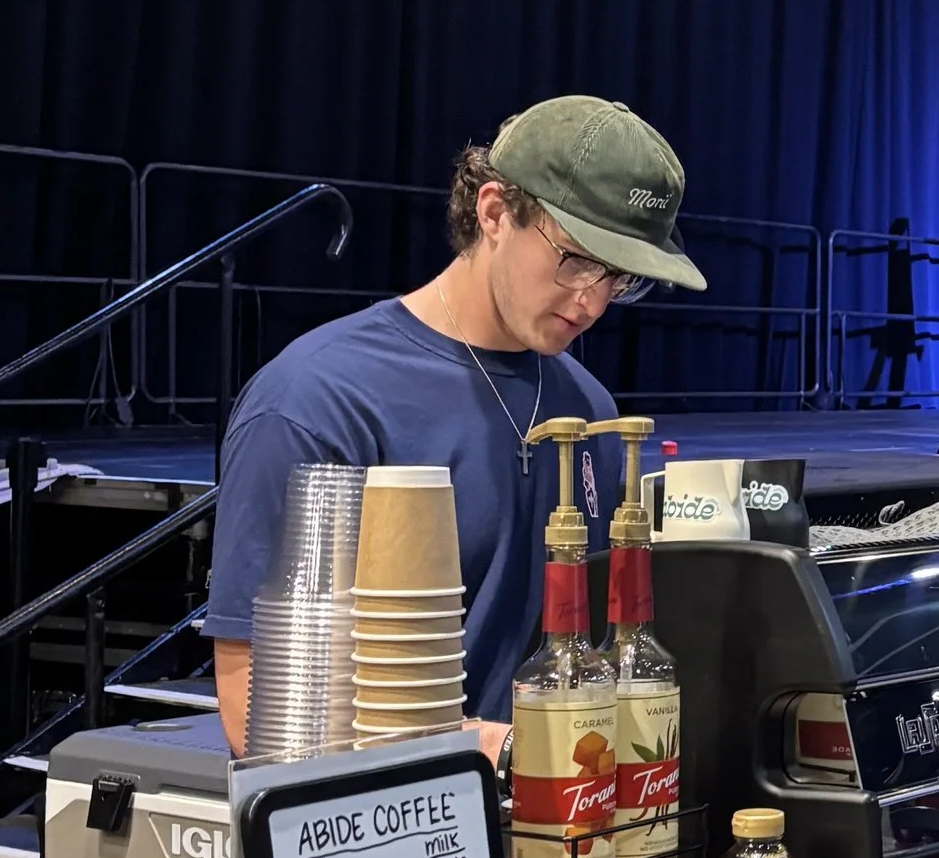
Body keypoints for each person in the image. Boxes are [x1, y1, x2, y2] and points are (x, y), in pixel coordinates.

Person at [206, 96, 706, 753]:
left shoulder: (590, 411)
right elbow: (259, 707)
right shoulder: (320, 402)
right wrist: (495, 753)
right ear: (494, 211)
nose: (592, 300)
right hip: (392, 813)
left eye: (619, 277)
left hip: (553, 804)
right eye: (576, 258)